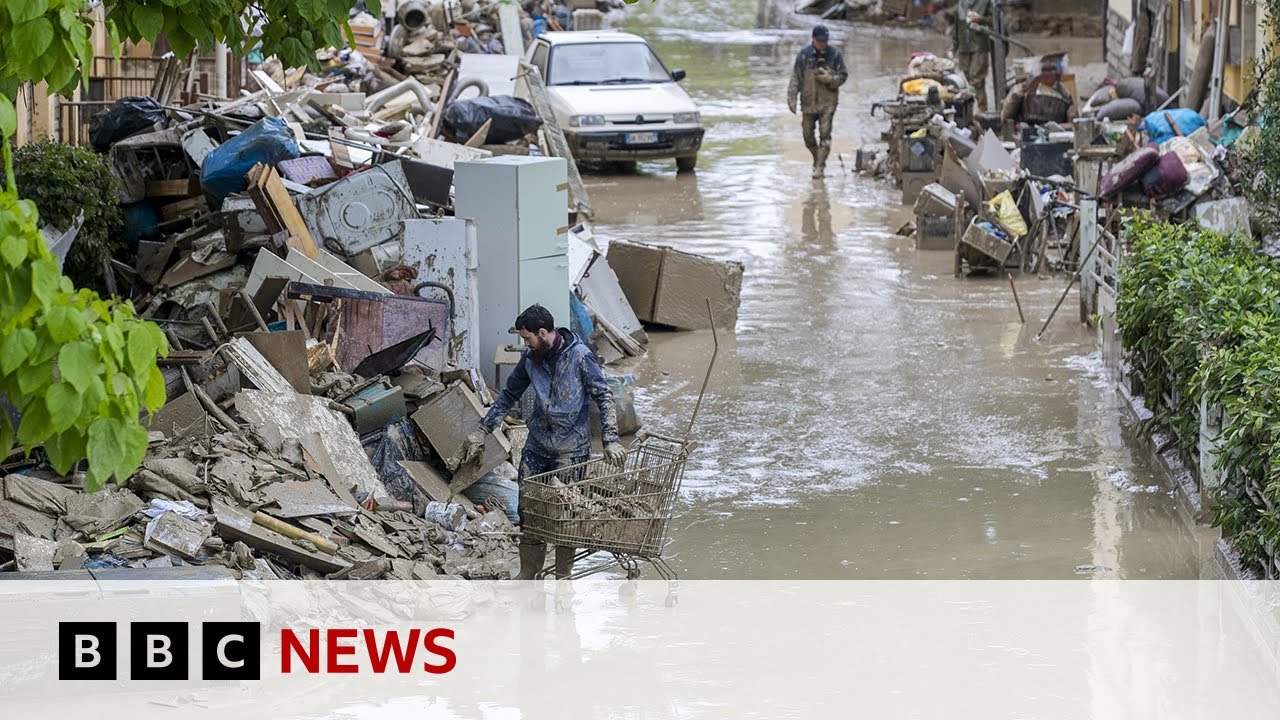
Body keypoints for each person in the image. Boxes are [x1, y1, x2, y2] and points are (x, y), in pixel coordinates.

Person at [461, 304, 624, 580]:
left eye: (528, 339)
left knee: (566, 513)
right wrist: (482, 431)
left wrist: (610, 440)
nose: (526, 344)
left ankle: (563, 577)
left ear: (543, 332)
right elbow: (508, 396)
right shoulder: (530, 359)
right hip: (537, 445)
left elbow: (604, 397)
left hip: (571, 450)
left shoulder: (580, 357)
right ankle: (529, 573)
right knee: (530, 509)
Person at [786, 24, 848, 179]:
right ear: (813, 39)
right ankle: (818, 159)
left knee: (825, 135)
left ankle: (819, 168)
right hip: (808, 103)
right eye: (820, 41)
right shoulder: (803, 55)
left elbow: (843, 75)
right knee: (807, 137)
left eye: (825, 41)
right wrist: (791, 98)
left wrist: (831, 79)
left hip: (828, 103)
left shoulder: (834, 55)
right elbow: (796, 78)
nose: (823, 44)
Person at [1001, 55, 1073, 126]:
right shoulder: (1022, 89)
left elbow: (1070, 111)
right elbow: (1006, 116)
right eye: (1046, 70)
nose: (1052, 73)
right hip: (1026, 128)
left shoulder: (1062, 90)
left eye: (1054, 69)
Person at [951, 0, 993, 111]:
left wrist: (981, 19)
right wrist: (954, 46)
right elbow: (956, 26)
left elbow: (995, 21)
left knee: (977, 78)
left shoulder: (986, 2)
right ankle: (971, 109)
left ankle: (982, 110)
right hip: (964, 46)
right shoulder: (961, 4)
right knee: (968, 77)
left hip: (979, 46)